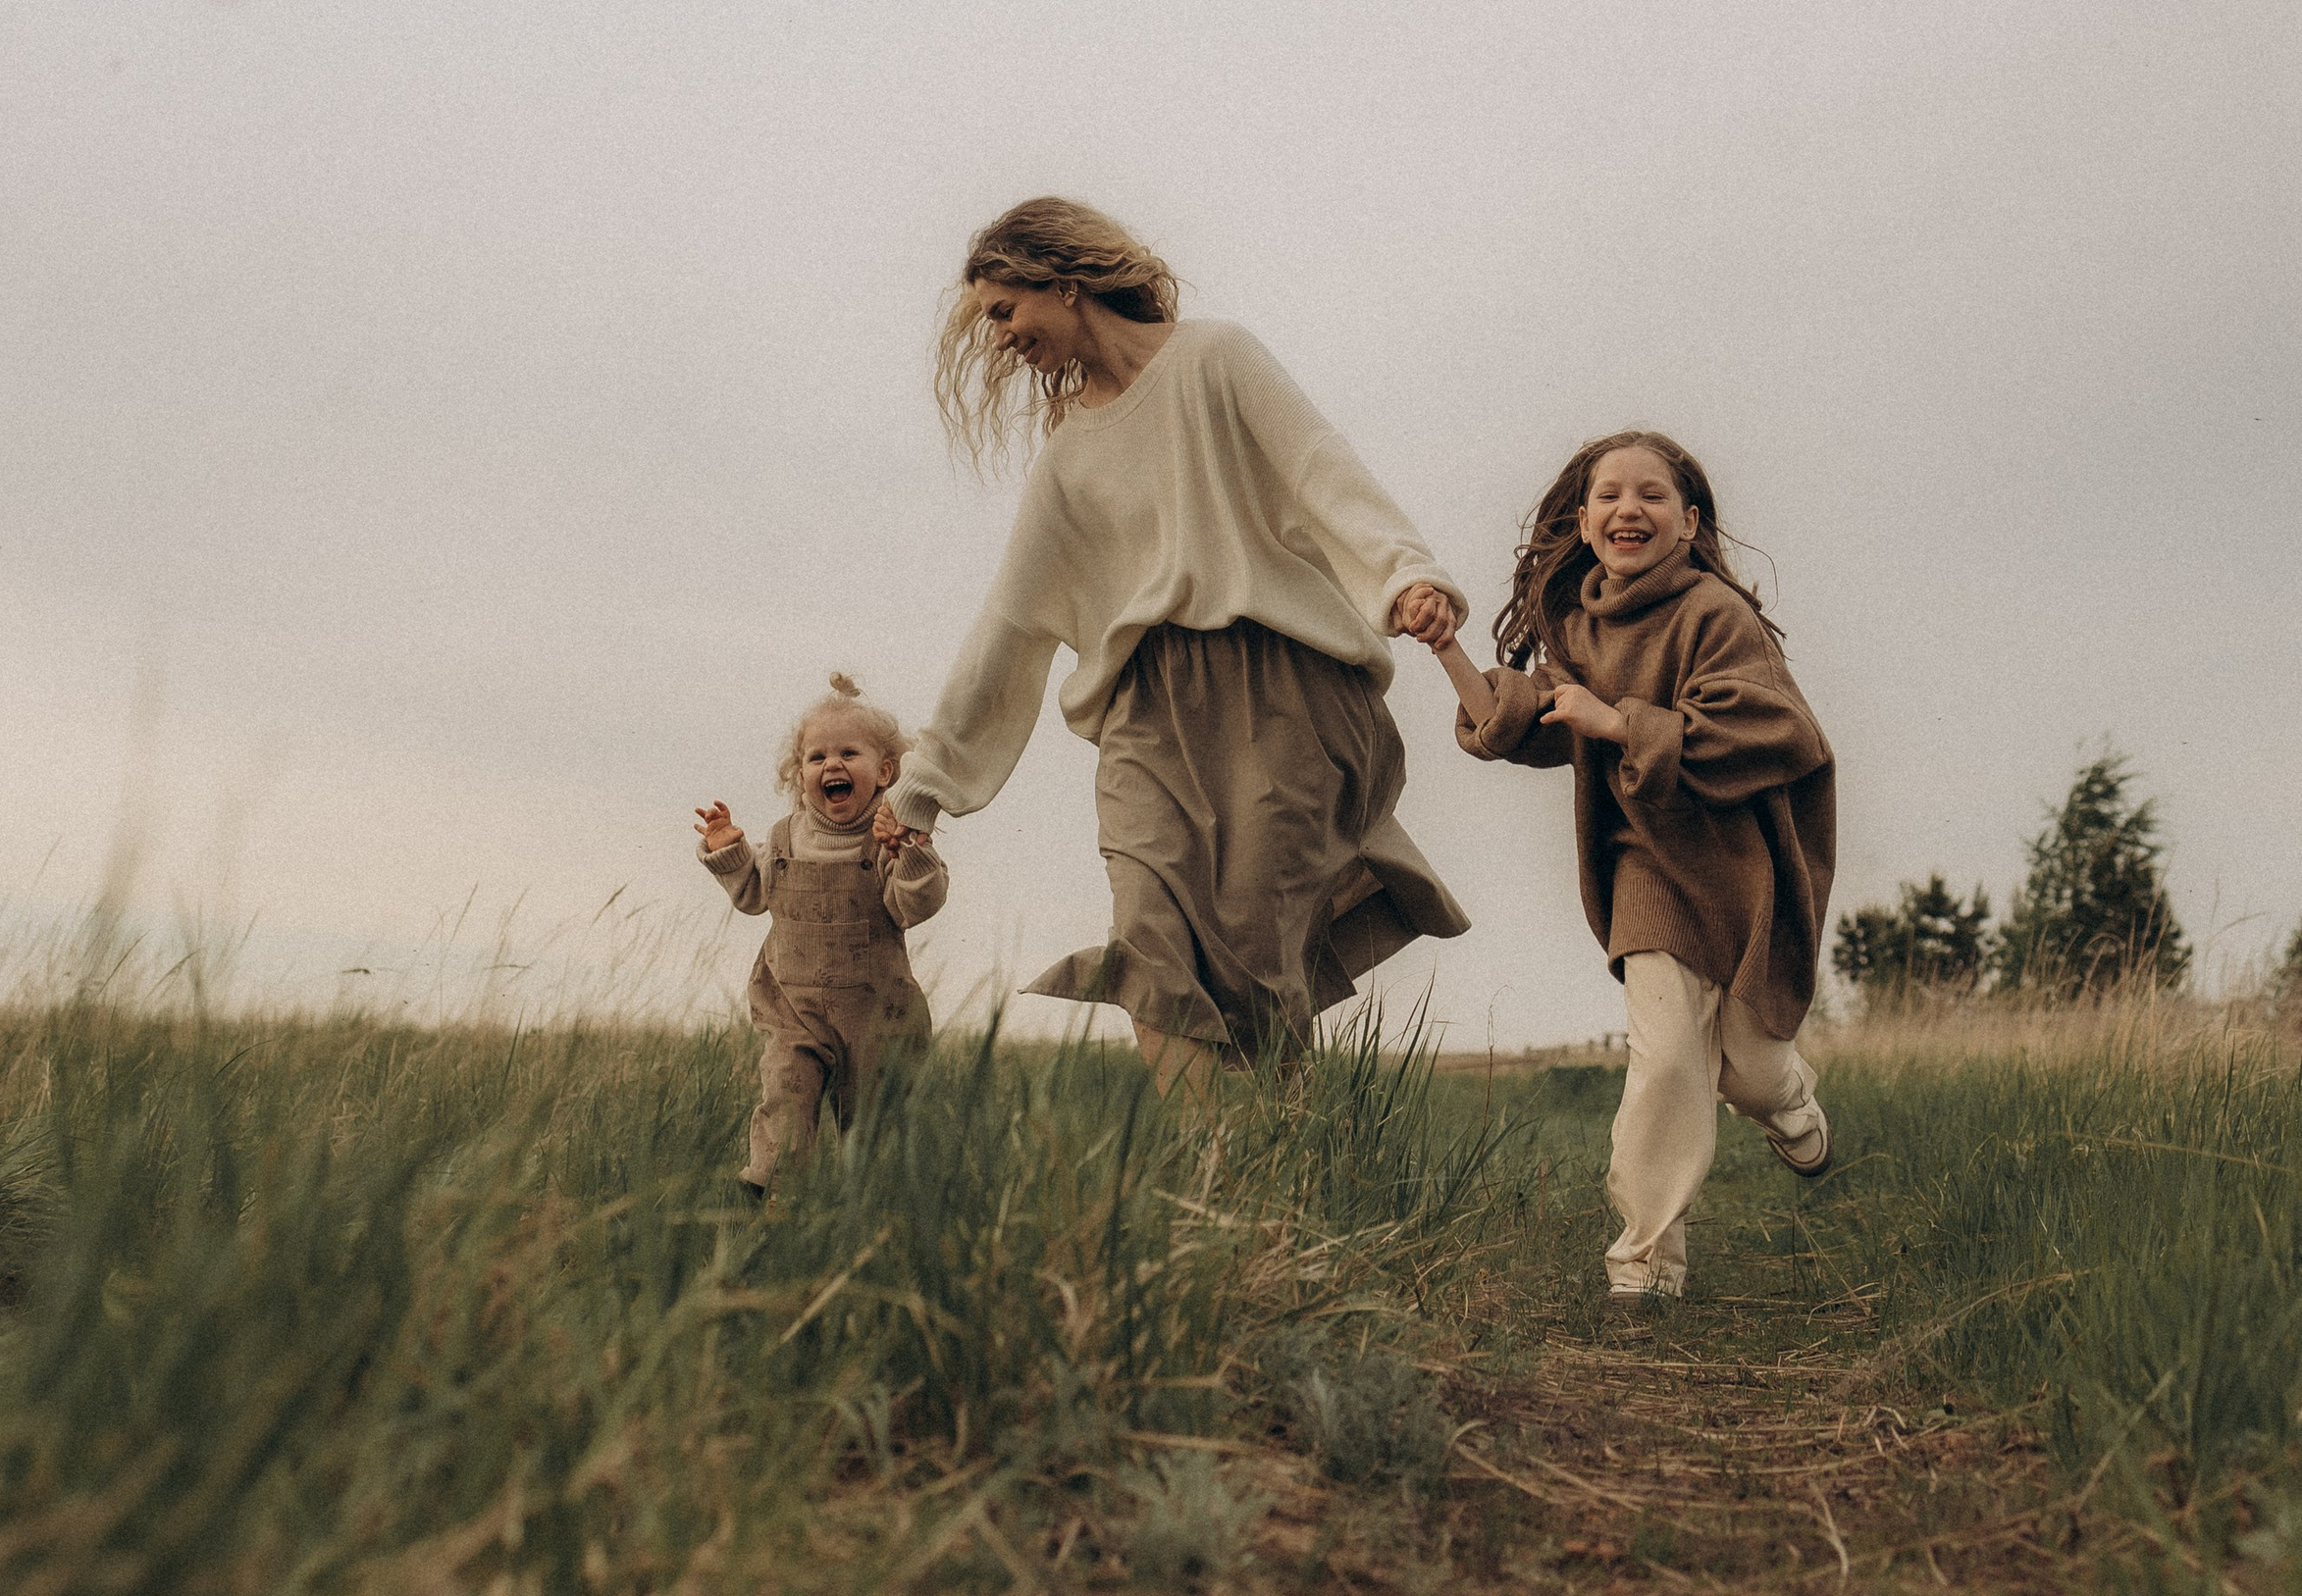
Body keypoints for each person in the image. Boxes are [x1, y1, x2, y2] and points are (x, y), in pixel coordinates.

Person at [887, 197, 1467, 1102]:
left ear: (1064, 285)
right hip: (1144, 714)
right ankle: (1217, 1178)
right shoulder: (1067, 458)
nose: (1000, 337)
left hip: (1277, 685)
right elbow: (1012, 620)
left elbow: (1321, 468)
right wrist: (926, 782)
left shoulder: (1214, 358)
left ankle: (1275, 1194)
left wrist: (1402, 575)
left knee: (1254, 957)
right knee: (1148, 934)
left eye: (1005, 310)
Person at [1433, 433, 1835, 1300]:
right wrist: (1447, 649)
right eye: (1609, 495)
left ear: (1688, 522)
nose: (1628, 509)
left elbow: (1785, 732)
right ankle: (1646, 1266)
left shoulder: (1713, 615)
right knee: (1664, 1063)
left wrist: (1621, 725)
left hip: (1741, 874)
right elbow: (1517, 720)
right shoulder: (1575, 626)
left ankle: (1788, 1098)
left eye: (1651, 495)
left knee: (1749, 1070)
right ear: (1582, 521)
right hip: (1644, 873)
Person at [698, 673, 948, 1190]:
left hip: (875, 1011)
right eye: (816, 757)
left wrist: (911, 853)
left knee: (873, 1125)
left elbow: (913, 906)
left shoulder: (890, 840)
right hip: (793, 1008)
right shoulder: (784, 836)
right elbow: (752, 895)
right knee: (785, 1099)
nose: (832, 764)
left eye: (849, 754)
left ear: (884, 772)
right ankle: (771, 1196)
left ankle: (872, 1215)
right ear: (800, 775)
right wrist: (728, 851)